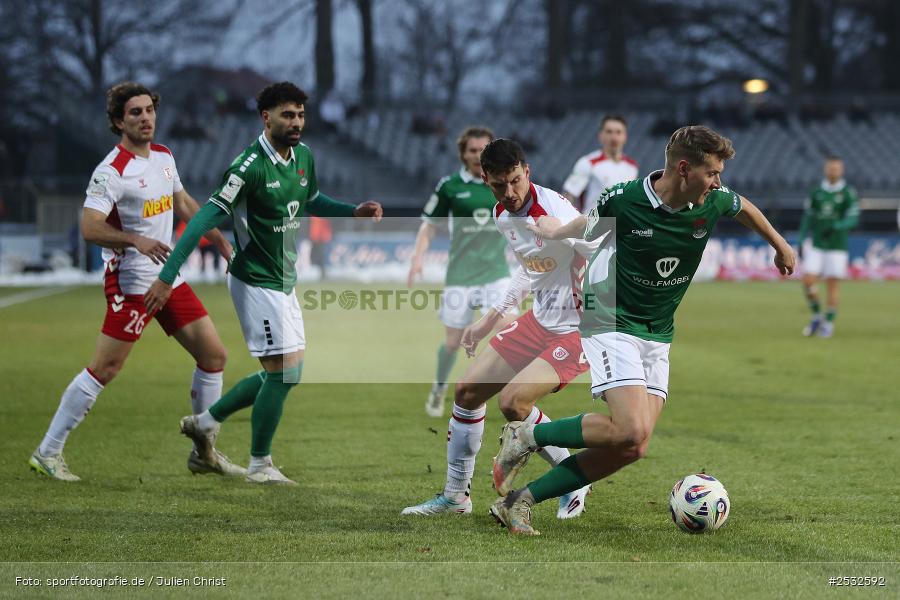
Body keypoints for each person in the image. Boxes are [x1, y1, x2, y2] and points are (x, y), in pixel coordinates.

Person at [490, 126, 795, 535]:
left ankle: (519, 500)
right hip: (610, 317)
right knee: (629, 427)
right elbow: (586, 227)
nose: (718, 182)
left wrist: (779, 243)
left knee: (633, 446)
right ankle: (530, 434)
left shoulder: (712, 200)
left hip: (659, 329)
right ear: (684, 169)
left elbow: (744, 208)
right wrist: (553, 232)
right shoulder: (626, 199)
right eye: (712, 173)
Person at [144, 82, 382, 485]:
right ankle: (259, 463)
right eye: (287, 115)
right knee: (284, 372)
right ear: (266, 117)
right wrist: (167, 276)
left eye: (301, 115)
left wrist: (352, 211)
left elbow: (311, 199)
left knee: (288, 371)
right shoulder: (248, 166)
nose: (296, 123)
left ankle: (206, 422)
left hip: (285, 279)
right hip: (255, 280)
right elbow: (204, 218)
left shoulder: (303, 156)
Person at [28, 82, 241, 481]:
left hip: (168, 279)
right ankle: (48, 451)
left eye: (149, 110)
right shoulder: (111, 173)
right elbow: (90, 227)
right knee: (104, 369)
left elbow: (185, 205)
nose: (146, 119)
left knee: (214, 357)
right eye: (135, 113)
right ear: (117, 121)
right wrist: (134, 239)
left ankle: (205, 452)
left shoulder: (163, 156)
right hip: (131, 285)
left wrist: (221, 242)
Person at [401, 139, 596, 519]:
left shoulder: (551, 209)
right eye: (498, 185)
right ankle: (456, 498)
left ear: (527, 172)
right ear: (484, 178)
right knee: (468, 392)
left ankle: (573, 479)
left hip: (580, 325)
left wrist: (562, 232)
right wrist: (491, 318)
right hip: (540, 318)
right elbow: (531, 266)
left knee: (513, 403)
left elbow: (600, 239)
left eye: (515, 181)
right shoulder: (503, 215)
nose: (509, 192)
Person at [407, 126, 515, 418]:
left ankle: (504, 391)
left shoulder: (505, 183)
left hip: (496, 272)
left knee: (509, 328)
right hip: (460, 275)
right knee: (453, 342)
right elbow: (429, 225)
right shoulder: (450, 186)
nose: (478, 155)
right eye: (472, 150)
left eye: (484, 149)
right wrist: (418, 258)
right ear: (462, 154)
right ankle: (439, 388)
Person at [798, 156, 858, 338]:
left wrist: (838, 226)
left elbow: (853, 218)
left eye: (837, 168)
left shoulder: (847, 192)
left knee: (832, 286)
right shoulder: (816, 192)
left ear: (841, 171)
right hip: (817, 244)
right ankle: (817, 316)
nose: (833, 171)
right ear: (826, 170)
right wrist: (801, 238)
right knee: (808, 281)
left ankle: (828, 324)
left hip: (837, 247)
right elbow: (808, 217)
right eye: (831, 168)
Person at [562, 115, 638, 215]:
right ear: (601, 135)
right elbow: (569, 195)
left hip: (622, 225)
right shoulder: (588, 163)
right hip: (595, 225)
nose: (614, 137)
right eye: (609, 132)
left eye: (618, 132)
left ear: (625, 136)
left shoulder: (632, 167)